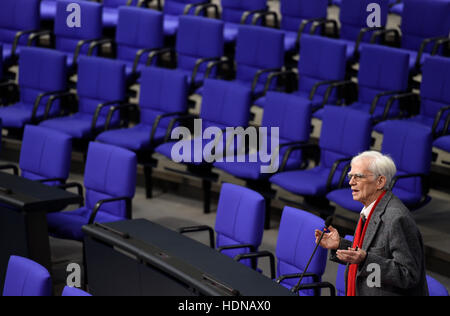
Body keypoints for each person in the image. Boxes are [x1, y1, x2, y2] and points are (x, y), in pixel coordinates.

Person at [316, 151, 428, 296]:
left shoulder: (396, 218)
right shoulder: (370, 208)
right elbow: (370, 252)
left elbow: (408, 275)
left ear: (380, 182)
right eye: (350, 176)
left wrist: (365, 260)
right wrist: (340, 245)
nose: (351, 182)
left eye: (358, 176)